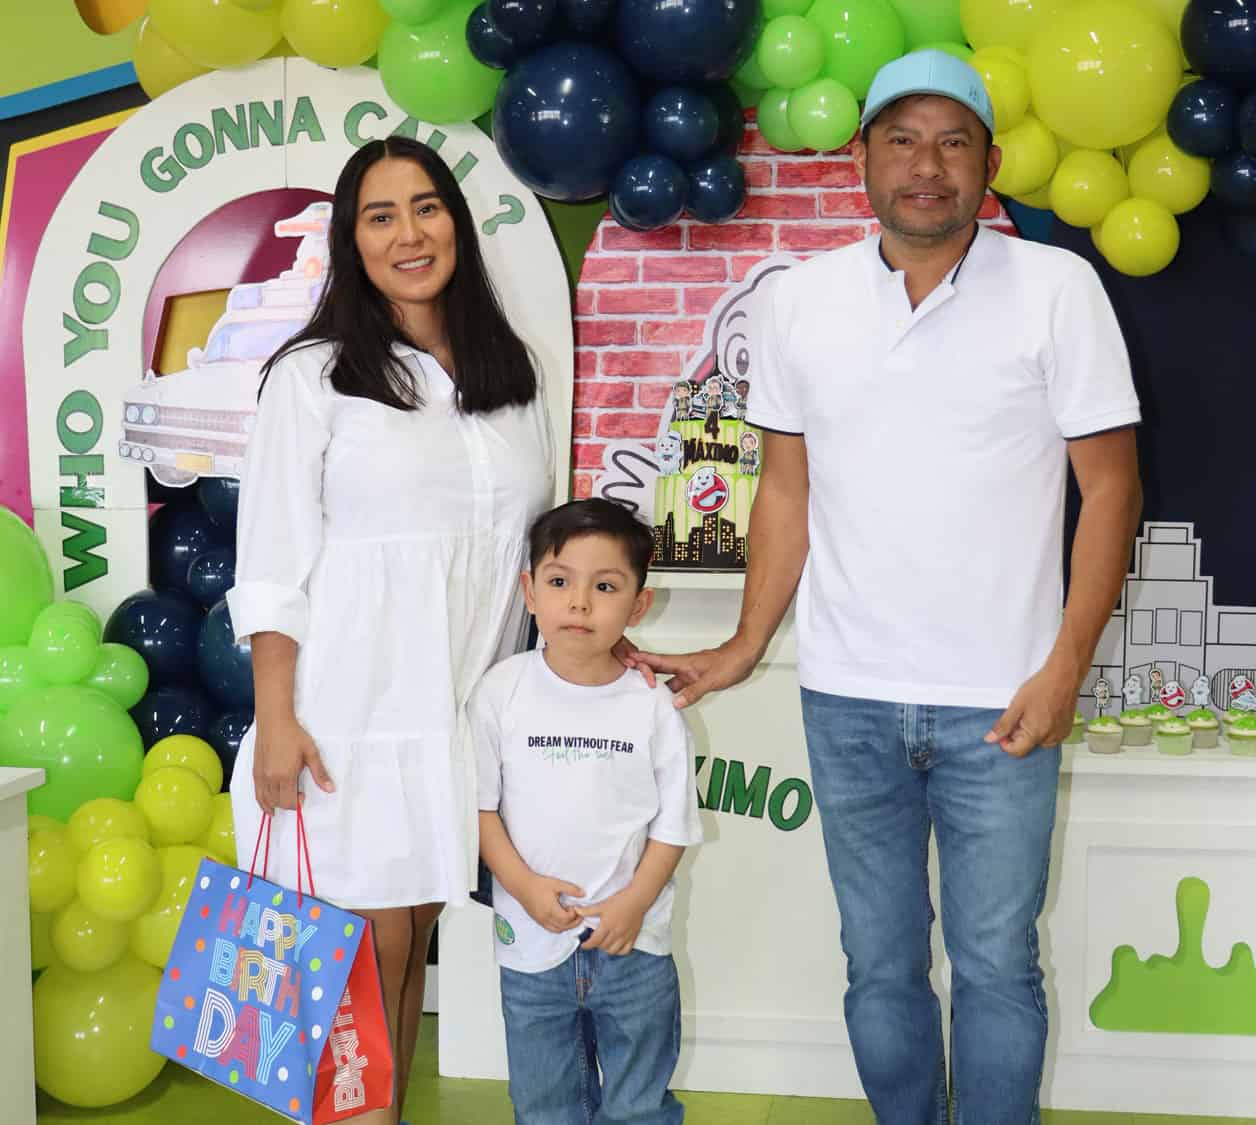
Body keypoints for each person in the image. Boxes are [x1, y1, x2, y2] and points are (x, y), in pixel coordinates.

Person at [628, 50, 1143, 1125]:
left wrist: (1064, 669)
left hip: (1003, 701)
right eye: (901, 140)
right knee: (878, 966)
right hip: (847, 697)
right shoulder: (800, 301)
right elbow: (783, 491)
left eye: (953, 142)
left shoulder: (1056, 290)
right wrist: (743, 645)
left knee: (997, 963)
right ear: (860, 157)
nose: (926, 165)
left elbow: (1109, 490)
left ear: (988, 164)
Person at [226, 136, 553, 1125]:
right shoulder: (312, 377)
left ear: (456, 222)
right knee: (360, 956)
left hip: (453, 715)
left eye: (426, 207)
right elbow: (271, 561)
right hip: (343, 715)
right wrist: (275, 717)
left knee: (407, 946)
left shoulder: (514, 375)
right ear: (350, 241)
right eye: (380, 216)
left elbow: (532, 552)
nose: (408, 233)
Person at [470, 498, 703, 1125]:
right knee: (544, 1105)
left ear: (638, 605)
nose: (578, 603)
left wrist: (634, 903)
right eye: (559, 582)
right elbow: (482, 811)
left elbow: (673, 827)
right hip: (531, 945)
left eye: (604, 587)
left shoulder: (652, 706)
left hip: (634, 945)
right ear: (529, 592)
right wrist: (524, 887)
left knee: (639, 1105)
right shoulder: (500, 693)